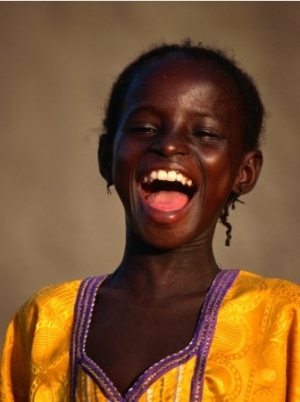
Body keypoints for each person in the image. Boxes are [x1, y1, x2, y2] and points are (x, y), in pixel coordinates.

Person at [1, 40, 299, 402]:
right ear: (107, 155)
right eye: (144, 128)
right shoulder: (44, 321)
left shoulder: (284, 321)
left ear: (245, 172)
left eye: (204, 133)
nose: (170, 146)